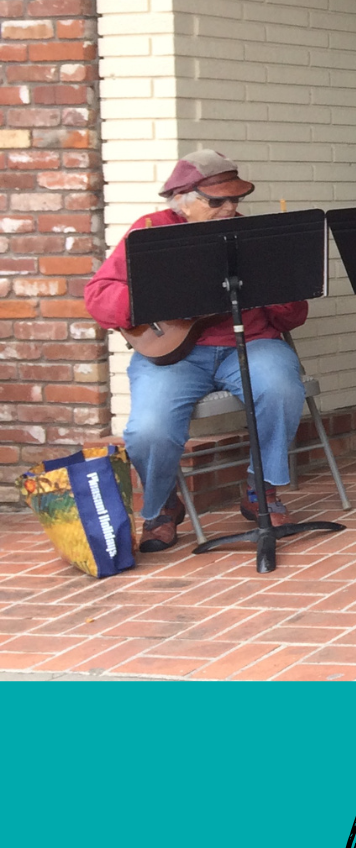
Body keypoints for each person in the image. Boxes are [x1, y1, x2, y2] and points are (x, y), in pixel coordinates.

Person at [82, 150, 310, 551]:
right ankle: (163, 506)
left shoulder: (253, 235)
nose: (229, 208)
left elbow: (292, 317)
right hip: (174, 354)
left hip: (251, 343)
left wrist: (279, 283)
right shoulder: (150, 232)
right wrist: (160, 300)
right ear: (181, 199)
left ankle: (261, 489)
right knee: (148, 428)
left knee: (281, 388)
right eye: (216, 201)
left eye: (235, 199)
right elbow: (99, 296)